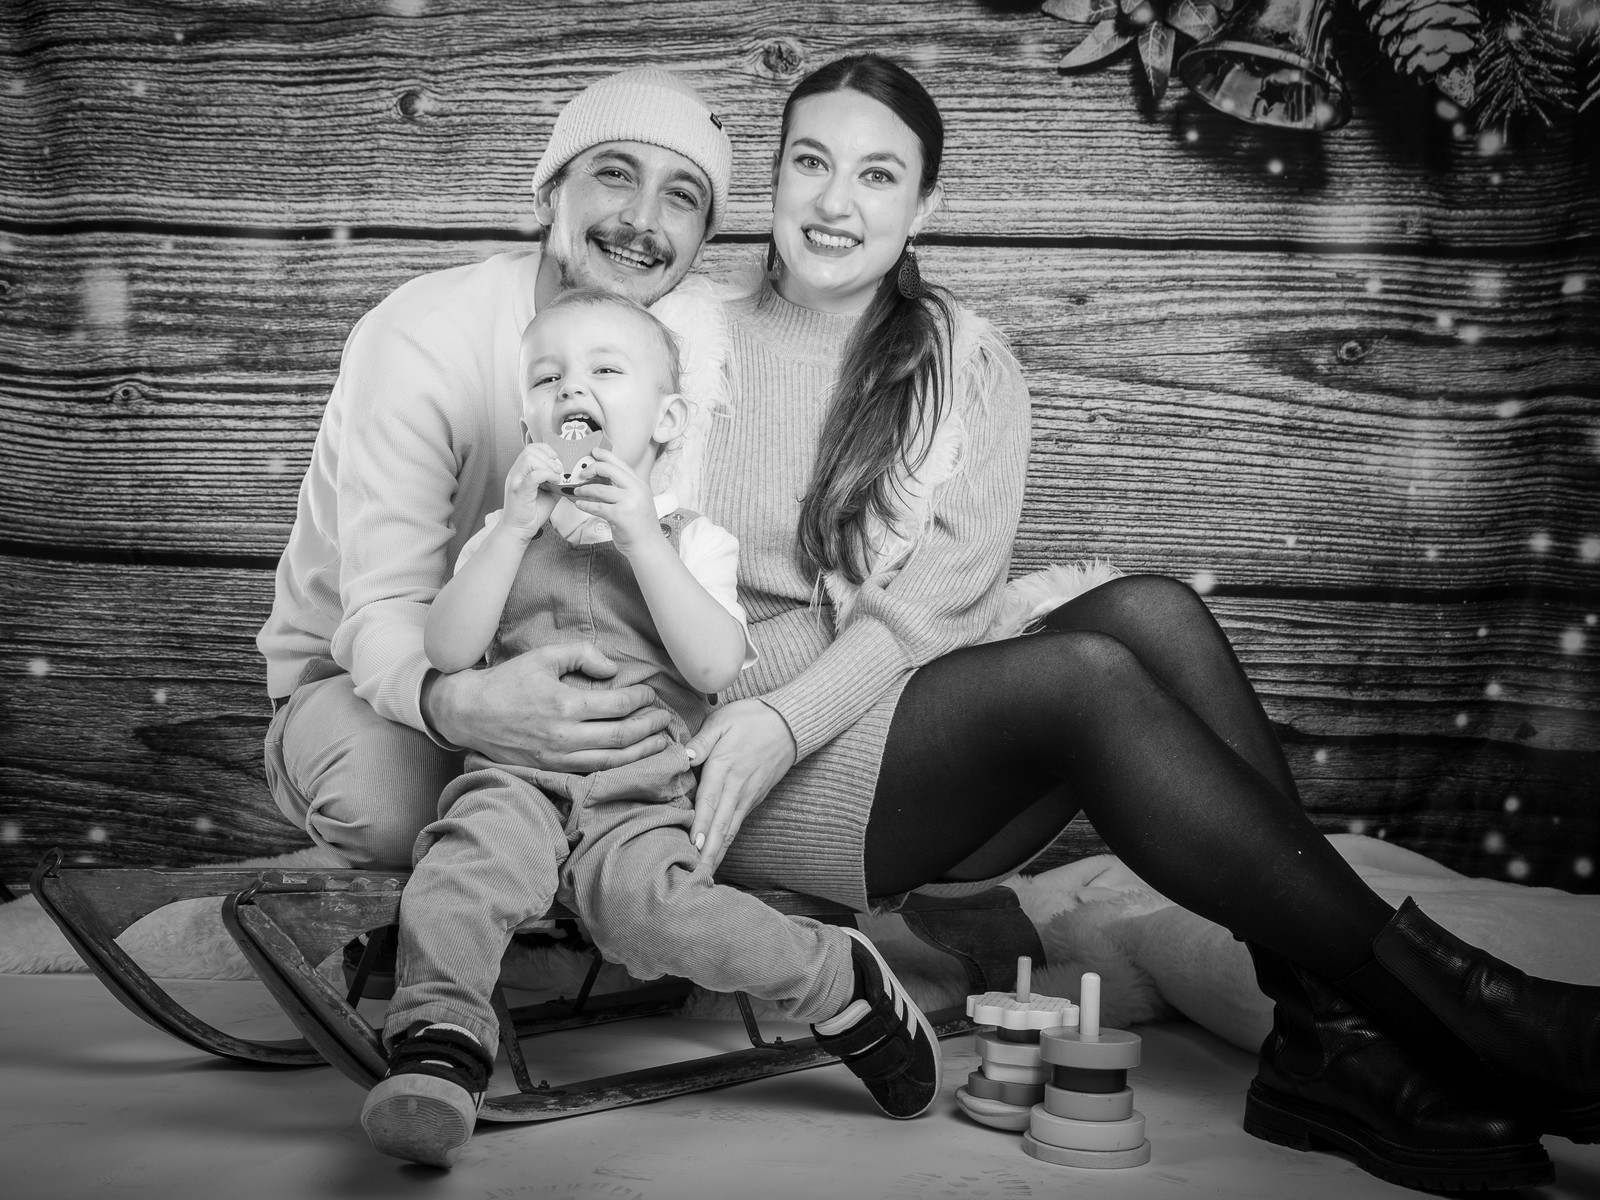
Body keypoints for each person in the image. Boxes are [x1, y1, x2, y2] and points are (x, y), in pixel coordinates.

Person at [668, 54, 1598, 1193]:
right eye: (810, 162)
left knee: (1151, 609)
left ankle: (1331, 1034)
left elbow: (932, 608)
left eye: (877, 175)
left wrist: (796, 713)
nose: (834, 201)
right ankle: (1467, 1012)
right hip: (750, 770)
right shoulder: (683, 344)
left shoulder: (963, 365)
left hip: (894, 733)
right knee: (1085, 675)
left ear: (925, 206)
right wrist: (769, 722)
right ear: (772, 176)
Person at [358, 290, 941, 1167]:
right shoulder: (502, 534)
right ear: (528, 423)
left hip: (638, 794)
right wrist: (511, 530)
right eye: (547, 378)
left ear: (666, 421)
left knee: (653, 915)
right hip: (515, 779)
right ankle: (439, 1045)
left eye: (603, 369)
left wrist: (641, 537)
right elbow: (444, 648)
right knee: (461, 871)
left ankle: (831, 975)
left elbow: (712, 666)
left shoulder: (691, 539)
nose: (571, 389)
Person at [257, 66, 737, 870]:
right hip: (372, 672)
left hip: (573, 662)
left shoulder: (688, 358)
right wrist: (470, 706)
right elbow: (382, 612)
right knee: (399, 811)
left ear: (700, 242)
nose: (642, 220)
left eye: (681, 196)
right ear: (549, 195)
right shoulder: (423, 337)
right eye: (615, 173)